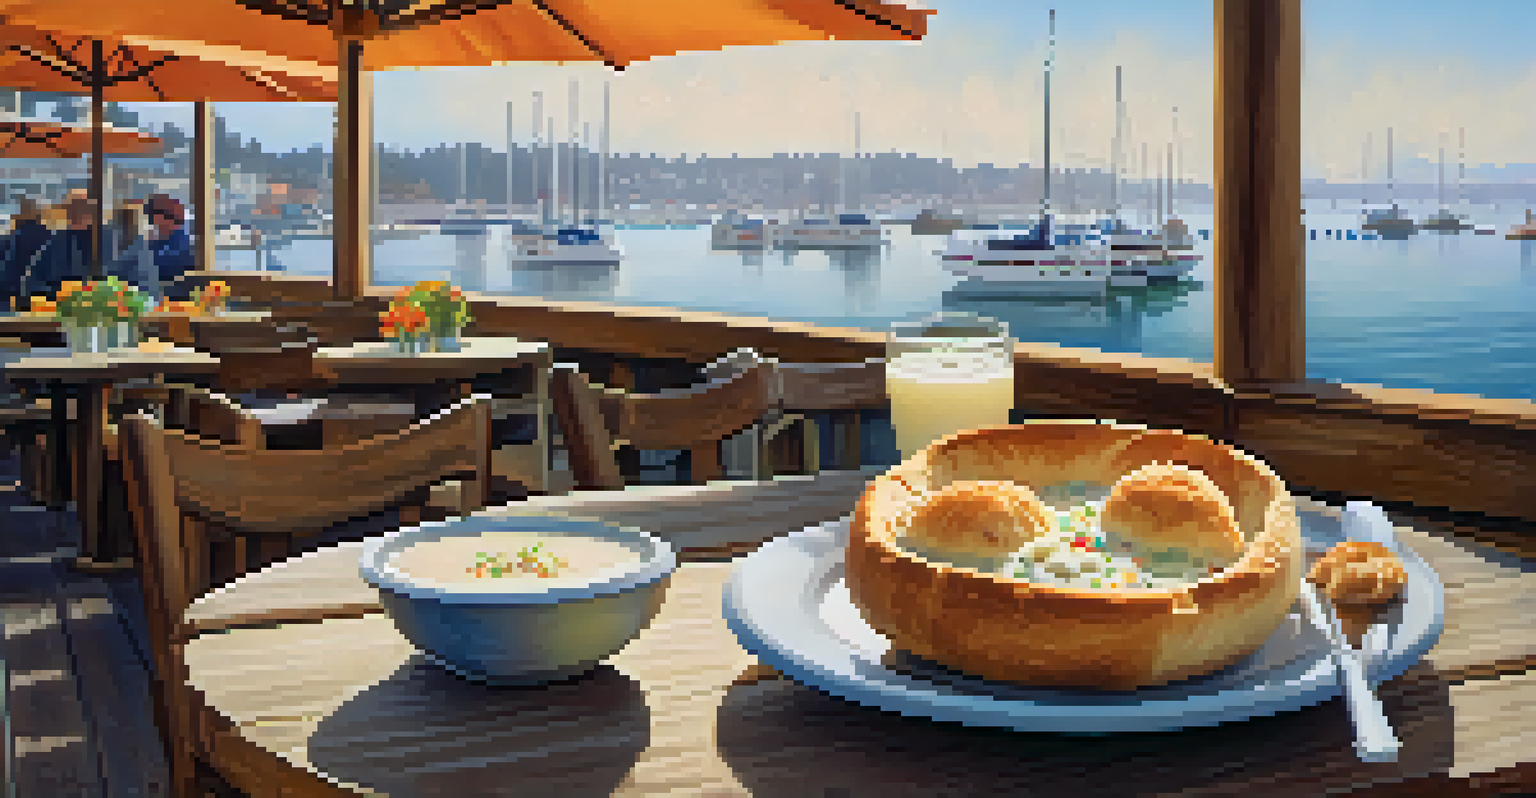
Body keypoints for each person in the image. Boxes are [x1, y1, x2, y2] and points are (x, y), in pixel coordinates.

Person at [0, 198, 56, 309]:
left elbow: (8, 269)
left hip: (18, 294)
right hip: (45, 294)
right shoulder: (50, 236)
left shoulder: (13, 238)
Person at [143, 194, 196, 301]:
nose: (150, 222)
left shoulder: (181, 243)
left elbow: (153, 265)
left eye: (150, 216)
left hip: (175, 299)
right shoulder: (160, 242)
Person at [106, 200, 159, 301]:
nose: (126, 225)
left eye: (129, 220)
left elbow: (147, 282)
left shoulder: (142, 248)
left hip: (139, 298)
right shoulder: (110, 243)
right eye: (122, 220)